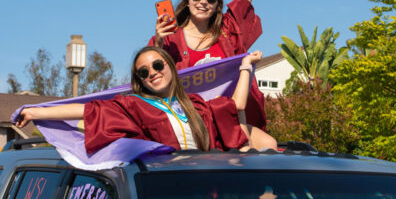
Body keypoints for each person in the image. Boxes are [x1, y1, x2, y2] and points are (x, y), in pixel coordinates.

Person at [15, 46, 277, 153]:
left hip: (205, 191)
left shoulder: (196, 104)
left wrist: (246, 66)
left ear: (170, 67)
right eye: (144, 72)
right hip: (162, 195)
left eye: (157, 65)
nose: (153, 73)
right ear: (139, 80)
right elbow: (89, 111)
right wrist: (36, 112)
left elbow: (236, 105)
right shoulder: (134, 106)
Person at [149, 0, 286, 131]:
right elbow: (149, 78)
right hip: (185, 125)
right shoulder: (169, 38)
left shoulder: (229, 31)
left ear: (217, 6)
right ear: (188, 1)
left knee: (270, 145)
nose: (203, 2)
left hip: (226, 122)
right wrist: (159, 43)